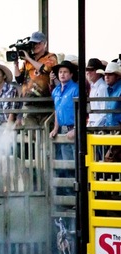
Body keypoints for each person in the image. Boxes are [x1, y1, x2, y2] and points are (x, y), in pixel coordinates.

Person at [14, 31, 58, 126]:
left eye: (39, 43)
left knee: (46, 130)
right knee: (30, 131)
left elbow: (46, 68)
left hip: (45, 101)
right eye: (33, 43)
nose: (35, 45)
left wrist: (29, 59)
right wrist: (16, 64)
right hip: (29, 102)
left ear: (44, 44)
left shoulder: (51, 56)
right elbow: (19, 79)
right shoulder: (27, 61)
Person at [49, 61, 79, 196]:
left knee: (76, 161)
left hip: (73, 128)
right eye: (60, 72)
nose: (62, 74)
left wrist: (76, 128)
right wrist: (56, 128)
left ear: (71, 74)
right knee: (67, 163)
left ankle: (78, 195)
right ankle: (70, 195)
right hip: (63, 129)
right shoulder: (56, 91)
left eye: (65, 72)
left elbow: (80, 110)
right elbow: (57, 110)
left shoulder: (76, 89)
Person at [96, 62, 121, 127]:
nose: (106, 77)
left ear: (117, 76)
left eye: (110, 74)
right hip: (111, 129)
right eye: (105, 74)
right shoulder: (109, 89)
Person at [86, 58, 108, 127]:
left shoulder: (103, 88)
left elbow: (104, 113)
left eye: (91, 70)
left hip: (99, 128)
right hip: (94, 126)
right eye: (87, 70)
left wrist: (94, 127)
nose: (88, 72)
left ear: (98, 72)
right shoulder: (92, 87)